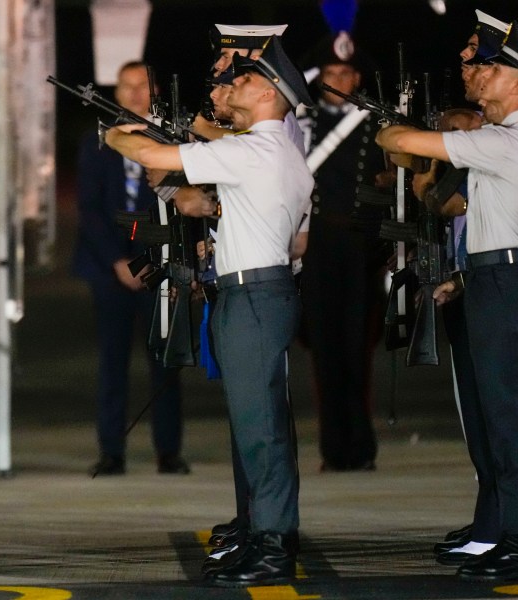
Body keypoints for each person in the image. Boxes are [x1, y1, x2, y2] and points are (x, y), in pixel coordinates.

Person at [377, 23, 518, 583]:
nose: (479, 75)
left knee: (510, 418)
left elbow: (400, 143)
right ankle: (502, 530)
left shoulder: (505, 141)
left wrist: (391, 130)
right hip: (511, 279)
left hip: (504, 285)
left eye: (492, 69)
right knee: (499, 413)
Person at [106, 35, 313, 587]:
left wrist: (114, 132)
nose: (232, 84)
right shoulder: (270, 151)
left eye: (244, 79)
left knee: (262, 432)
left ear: (270, 93)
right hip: (254, 292)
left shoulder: (256, 149)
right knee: (256, 428)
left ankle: (272, 546)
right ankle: (265, 536)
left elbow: (153, 157)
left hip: (254, 295)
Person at [72, 60, 189, 477]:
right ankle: (111, 450)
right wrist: (116, 260)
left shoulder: (171, 140)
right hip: (109, 268)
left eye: (143, 85)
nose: (135, 94)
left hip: (160, 267)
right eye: (127, 86)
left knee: (165, 359)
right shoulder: (97, 142)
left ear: (155, 91)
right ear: (116, 92)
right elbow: (89, 209)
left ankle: (169, 450)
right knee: (112, 360)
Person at [297, 41, 388, 472]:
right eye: (330, 75)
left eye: (346, 75)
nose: (338, 83)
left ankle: (361, 446)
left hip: (359, 248)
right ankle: (334, 448)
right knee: (323, 348)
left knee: (358, 347)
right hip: (315, 247)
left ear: (359, 80)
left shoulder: (376, 125)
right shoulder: (299, 123)